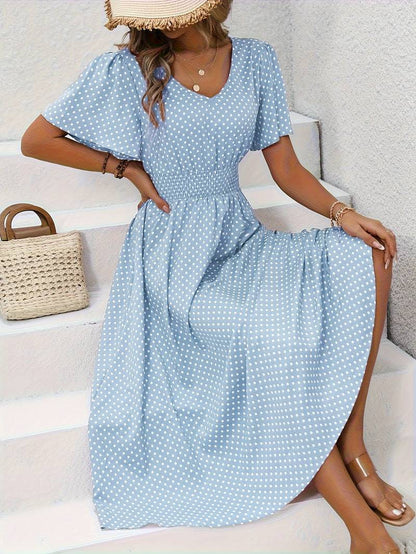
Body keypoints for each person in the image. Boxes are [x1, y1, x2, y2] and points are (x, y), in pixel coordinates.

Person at [21, 0, 412, 552]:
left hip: (239, 238)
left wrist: (343, 214)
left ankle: (355, 449)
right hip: (172, 257)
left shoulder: (255, 60)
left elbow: (286, 167)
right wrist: (125, 168)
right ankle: (364, 532)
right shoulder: (127, 70)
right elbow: (36, 141)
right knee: (272, 340)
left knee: (371, 254)